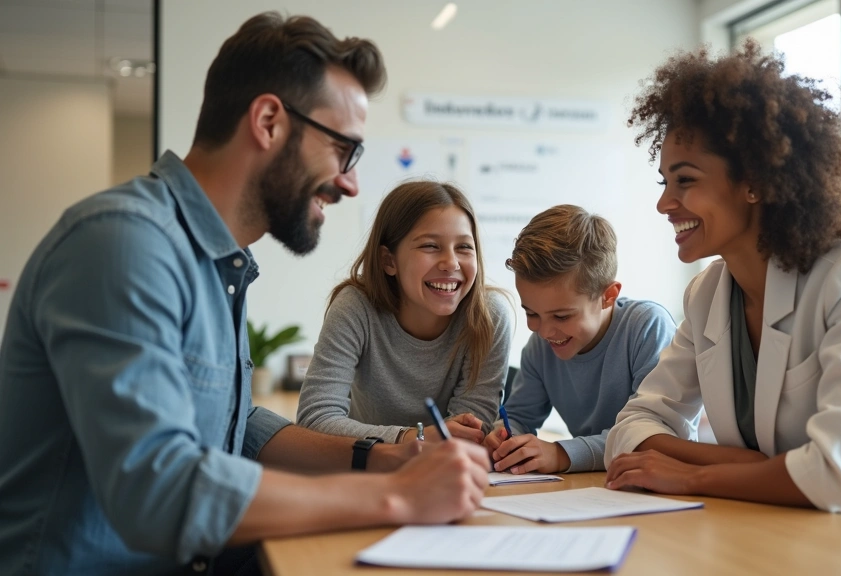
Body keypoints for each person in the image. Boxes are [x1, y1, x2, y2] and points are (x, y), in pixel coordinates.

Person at [0, 13, 489, 576]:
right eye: (343, 150)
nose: (351, 182)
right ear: (268, 121)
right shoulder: (123, 242)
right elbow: (157, 489)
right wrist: (397, 497)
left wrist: (379, 459)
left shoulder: (214, 258)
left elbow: (232, 423)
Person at [603, 40, 841, 538]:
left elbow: (837, 476)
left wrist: (694, 474)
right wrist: (751, 465)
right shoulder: (707, 295)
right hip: (768, 531)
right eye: (664, 183)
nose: (665, 204)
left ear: (755, 183)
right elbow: (631, 429)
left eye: (685, 181)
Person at [297, 181, 513, 445]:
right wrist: (416, 437)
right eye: (430, 246)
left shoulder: (488, 316)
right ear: (389, 261)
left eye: (464, 247)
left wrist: (435, 441)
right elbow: (314, 420)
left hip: (442, 474)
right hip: (369, 470)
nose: (451, 263)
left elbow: (468, 433)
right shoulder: (355, 307)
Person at [482, 205, 675, 474]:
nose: (545, 331)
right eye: (531, 313)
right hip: (595, 487)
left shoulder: (646, 327)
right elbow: (519, 417)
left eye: (561, 316)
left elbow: (656, 436)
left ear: (608, 296)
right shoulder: (541, 348)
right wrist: (504, 435)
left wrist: (562, 454)